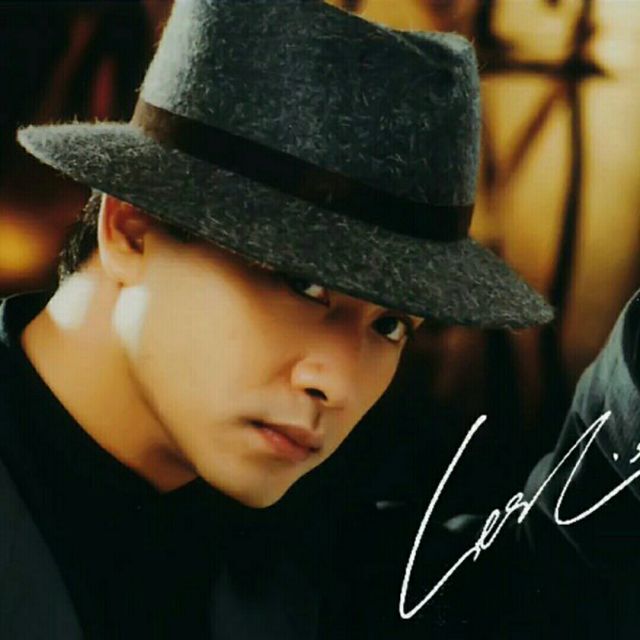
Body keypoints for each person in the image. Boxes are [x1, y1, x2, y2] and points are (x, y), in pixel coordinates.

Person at [1, 0, 555, 638]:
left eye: (391, 326)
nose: (338, 384)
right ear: (132, 228)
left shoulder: (317, 554)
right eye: (303, 284)